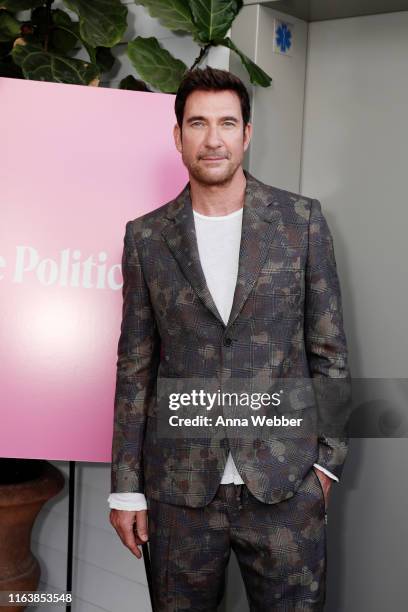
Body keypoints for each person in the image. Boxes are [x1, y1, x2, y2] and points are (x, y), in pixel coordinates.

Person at [107, 66, 350, 611]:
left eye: (226, 123)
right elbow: (135, 369)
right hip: (178, 491)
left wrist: (326, 464)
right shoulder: (146, 237)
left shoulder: (300, 221)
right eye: (197, 123)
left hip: (285, 484)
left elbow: (329, 352)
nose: (212, 138)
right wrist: (127, 486)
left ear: (247, 133)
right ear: (178, 136)